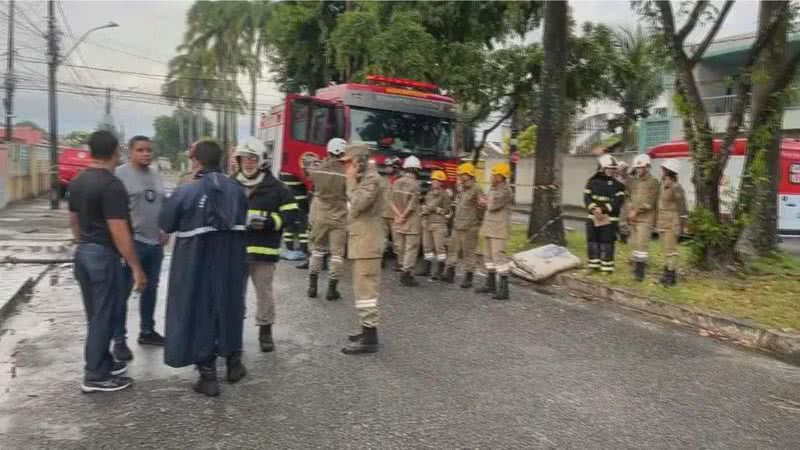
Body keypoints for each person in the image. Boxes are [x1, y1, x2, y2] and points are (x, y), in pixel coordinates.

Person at [159, 140, 249, 397]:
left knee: (199, 310)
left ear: (196, 161)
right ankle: (234, 364)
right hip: (231, 261)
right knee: (230, 307)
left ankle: (208, 376)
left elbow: (166, 222)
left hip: (196, 262)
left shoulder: (186, 191)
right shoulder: (238, 190)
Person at [68, 130, 146, 393]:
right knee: (104, 315)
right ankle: (95, 376)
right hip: (103, 256)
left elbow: (74, 221)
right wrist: (135, 266)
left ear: (91, 151)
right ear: (116, 152)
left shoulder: (78, 181)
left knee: (96, 315)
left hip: (84, 254)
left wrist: (82, 244)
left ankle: (102, 362)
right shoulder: (112, 185)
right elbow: (118, 229)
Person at [233, 137, 297, 353]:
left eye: (253, 159)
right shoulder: (230, 184)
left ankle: (265, 332)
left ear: (261, 161)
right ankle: (232, 331)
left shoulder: (277, 188)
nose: (248, 163)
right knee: (234, 293)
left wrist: (271, 223)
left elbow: (291, 214)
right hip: (236, 250)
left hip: (264, 251)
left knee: (264, 293)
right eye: (244, 159)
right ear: (238, 161)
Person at [110, 136, 167, 363]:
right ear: (130, 152)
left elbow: (162, 204)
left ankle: (147, 331)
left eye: (149, 150)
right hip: (131, 244)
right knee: (122, 292)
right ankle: (119, 340)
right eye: (141, 150)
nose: (146, 154)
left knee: (150, 289)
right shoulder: (119, 174)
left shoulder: (155, 174)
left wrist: (165, 229)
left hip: (155, 244)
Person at [340, 144, 385, 354]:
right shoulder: (363, 179)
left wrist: (350, 180)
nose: (345, 167)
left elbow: (358, 204)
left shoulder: (372, 179)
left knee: (366, 289)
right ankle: (366, 330)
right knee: (361, 289)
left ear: (359, 161)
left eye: (348, 163)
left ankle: (370, 339)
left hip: (368, 242)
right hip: (361, 240)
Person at [307, 138, 348, 300]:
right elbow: (349, 193)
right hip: (339, 215)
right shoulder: (346, 172)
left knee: (317, 250)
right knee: (337, 254)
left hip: (320, 214)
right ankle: (332, 290)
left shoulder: (318, 169)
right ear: (343, 152)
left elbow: (310, 178)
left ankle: (312, 287)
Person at [476, 163, 514, 300]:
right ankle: (490, 284)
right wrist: (484, 201)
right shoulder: (493, 188)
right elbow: (487, 202)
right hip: (489, 227)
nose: (492, 176)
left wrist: (485, 201)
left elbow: (492, 205)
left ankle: (504, 290)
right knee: (488, 257)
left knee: (499, 258)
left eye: (495, 174)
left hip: (499, 229)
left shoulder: (505, 191)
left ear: (501, 176)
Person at [442, 162, 483, 288]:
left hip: (470, 227)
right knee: (452, 250)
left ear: (469, 175)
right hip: (457, 226)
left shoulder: (476, 189)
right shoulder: (461, 189)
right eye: (460, 174)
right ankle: (450, 273)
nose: (460, 176)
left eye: (462, 174)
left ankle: (468, 277)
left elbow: (481, 208)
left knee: (468, 253)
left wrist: (476, 222)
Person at [584, 154, 627, 273]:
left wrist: (603, 209)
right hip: (593, 217)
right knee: (593, 241)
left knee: (607, 243)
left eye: (613, 169)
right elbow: (587, 197)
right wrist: (593, 209)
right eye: (609, 168)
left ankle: (607, 268)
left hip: (610, 219)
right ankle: (593, 265)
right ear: (602, 168)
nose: (612, 171)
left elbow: (618, 201)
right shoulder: (591, 182)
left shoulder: (618, 185)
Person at [626, 154, 660, 281]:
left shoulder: (654, 182)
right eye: (637, 168)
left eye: (640, 168)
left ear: (647, 167)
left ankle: (640, 272)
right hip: (634, 217)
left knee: (642, 244)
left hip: (646, 219)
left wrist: (636, 211)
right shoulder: (634, 181)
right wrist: (630, 210)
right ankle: (635, 266)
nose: (638, 170)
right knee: (634, 243)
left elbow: (650, 202)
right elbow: (628, 195)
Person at [391, 156, 423, 286]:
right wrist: (404, 215)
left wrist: (398, 216)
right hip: (411, 221)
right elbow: (412, 205)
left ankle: (402, 268)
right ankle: (406, 274)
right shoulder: (415, 185)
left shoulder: (397, 182)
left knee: (402, 247)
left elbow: (391, 201)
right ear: (416, 169)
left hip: (398, 221)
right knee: (411, 248)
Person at [656, 159, 688, 286]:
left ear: (668, 171)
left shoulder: (676, 187)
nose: (661, 171)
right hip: (662, 221)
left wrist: (684, 223)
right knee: (665, 250)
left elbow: (682, 207)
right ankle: (666, 275)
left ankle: (671, 277)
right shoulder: (663, 185)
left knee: (670, 250)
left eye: (663, 169)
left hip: (672, 222)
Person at [417, 170, 451, 279]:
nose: (434, 182)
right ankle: (426, 269)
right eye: (433, 180)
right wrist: (424, 210)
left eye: (436, 180)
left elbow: (447, 211)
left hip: (439, 224)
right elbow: (425, 205)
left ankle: (440, 271)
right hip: (428, 223)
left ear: (441, 182)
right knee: (427, 247)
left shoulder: (445, 195)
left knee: (439, 248)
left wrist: (435, 209)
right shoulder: (429, 193)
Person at [381, 156, 403, 267]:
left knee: (398, 240)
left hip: (396, 215)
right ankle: (382, 259)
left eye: (389, 166)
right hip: (383, 213)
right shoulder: (383, 180)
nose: (387, 169)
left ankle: (399, 262)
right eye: (386, 166)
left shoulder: (401, 182)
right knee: (382, 239)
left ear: (396, 167)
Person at [615, 161, 631, 244]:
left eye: (624, 169)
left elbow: (629, 191)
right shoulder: (616, 178)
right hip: (616, 200)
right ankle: (617, 235)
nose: (621, 171)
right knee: (616, 218)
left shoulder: (628, 179)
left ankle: (623, 238)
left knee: (623, 220)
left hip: (624, 200)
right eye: (621, 169)